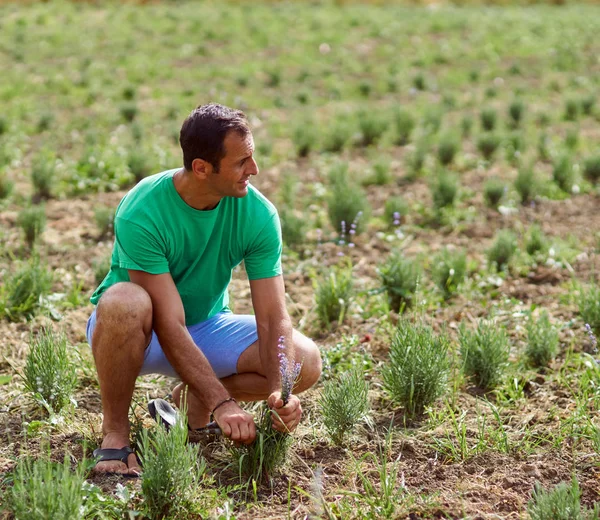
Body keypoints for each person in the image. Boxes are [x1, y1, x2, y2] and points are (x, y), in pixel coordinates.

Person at [86, 103, 322, 476]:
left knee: (302, 359)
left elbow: (274, 316)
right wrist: (223, 403)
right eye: (241, 161)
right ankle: (115, 433)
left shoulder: (258, 214)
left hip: (205, 327)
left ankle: (190, 401)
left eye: (253, 157)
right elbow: (168, 322)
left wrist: (280, 392)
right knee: (124, 301)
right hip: (138, 331)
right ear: (201, 168)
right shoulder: (143, 209)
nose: (254, 170)